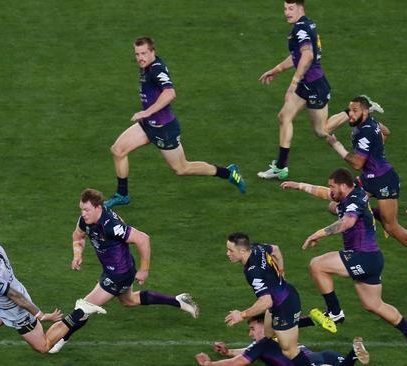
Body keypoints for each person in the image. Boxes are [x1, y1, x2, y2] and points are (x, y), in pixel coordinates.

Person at [0, 201, 102, 366]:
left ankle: (80, 311)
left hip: (18, 309)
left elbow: (15, 296)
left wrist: (41, 315)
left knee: (44, 346)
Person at [48, 188, 199, 353]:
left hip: (120, 273)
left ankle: (63, 337)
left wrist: (144, 270)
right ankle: (179, 301)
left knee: (85, 306)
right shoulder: (86, 220)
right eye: (81, 209)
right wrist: (77, 254)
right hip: (112, 269)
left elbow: (143, 239)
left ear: (98, 207)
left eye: (86, 210)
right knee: (129, 301)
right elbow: (78, 237)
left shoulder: (111, 226)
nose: (83, 214)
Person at [301, 168, 407, 362]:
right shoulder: (350, 193)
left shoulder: (354, 201)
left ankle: (334, 312)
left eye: (332, 187)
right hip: (373, 259)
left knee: (316, 264)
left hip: (362, 256)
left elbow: (347, 223)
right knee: (373, 304)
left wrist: (318, 233)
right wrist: (297, 185)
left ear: (343, 186)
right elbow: (322, 192)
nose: (330, 191)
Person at [104, 37, 245, 208]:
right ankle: (122, 194)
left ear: (152, 52)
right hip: (148, 124)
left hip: (164, 128)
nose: (140, 57)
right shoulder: (147, 67)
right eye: (137, 54)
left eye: (144, 53)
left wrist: (146, 112)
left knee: (182, 168)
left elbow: (170, 93)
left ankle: (228, 173)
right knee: (118, 150)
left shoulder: (156, 69)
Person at [325, 96, 407, 273]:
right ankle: (371, 213)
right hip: (369, 178)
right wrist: (377, 149)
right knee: (334, 206)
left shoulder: (366, 130)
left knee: (391, 227)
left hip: (383, 179)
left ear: (365, 111)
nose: (351, 115)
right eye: (350, 111)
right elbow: (386, 132)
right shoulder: (369, 123)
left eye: (354, 111)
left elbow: (357, 164)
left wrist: (336, 144)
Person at [257, 0, 330, 180]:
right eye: (285, 9)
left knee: (321, 132)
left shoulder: (300, 29)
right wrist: (276, 70)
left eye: (291, 8)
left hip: (314, 85)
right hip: (307, 83)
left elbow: (307, 55)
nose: (287, 12)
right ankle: (281, 168)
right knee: (284, 116)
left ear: (300, 8)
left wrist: (293, 84)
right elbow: (296, 56)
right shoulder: (306, 24)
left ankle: (358, 111)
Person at [224, 233, 316, 366]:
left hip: (284, 307)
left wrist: (242, 315)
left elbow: (266, 302)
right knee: (268, 334)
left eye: (230, 250)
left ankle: (311, 322)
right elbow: (276, 250)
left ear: (243, 251)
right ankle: (308, 321)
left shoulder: (252, 271)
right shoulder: (257, 248)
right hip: (286, 294)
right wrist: (281, 272)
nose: (227, 253)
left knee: (289, 351)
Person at [195, 314, 369, 365]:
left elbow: (239, 362)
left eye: (252, 329)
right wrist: (227, 352)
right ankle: (353, 354)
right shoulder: (282, 330)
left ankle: (353, 354)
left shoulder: (264, 344)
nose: (250, 333)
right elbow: (245, 351)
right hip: (323, 356)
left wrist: (209, 364)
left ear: (264, 326)